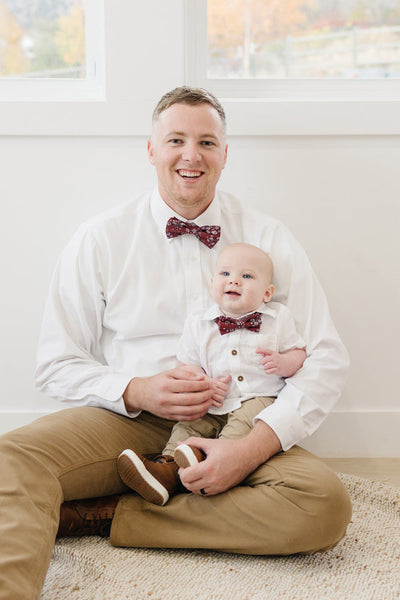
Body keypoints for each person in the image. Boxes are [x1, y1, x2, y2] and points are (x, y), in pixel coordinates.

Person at [0, 86, 352, 600]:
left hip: (241, 416)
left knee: (322, 506)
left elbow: (325, 357)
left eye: (207, 142)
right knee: (13, 458)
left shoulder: (268, 236)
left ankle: (104, 513)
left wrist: (247, 450)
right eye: (176, 140)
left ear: (225, 155)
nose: (192, 155)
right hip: (125, 420)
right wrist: (136, 389)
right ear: (151, 149)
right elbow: (56, 364)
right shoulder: (100, 237)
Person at [117, 242, 307, 506]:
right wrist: (203, 383)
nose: (235, 281)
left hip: (259, 398)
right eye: (225, 274)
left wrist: (283, 362)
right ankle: (166, 469)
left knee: (241, 428)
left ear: (267, 292)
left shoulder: (278, 318)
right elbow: (187, 364)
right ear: (212, 283)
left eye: (247, 276)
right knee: (189, 424)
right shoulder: (198, 323)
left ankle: (214, 468)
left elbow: (299, 353)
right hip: (214, 400)